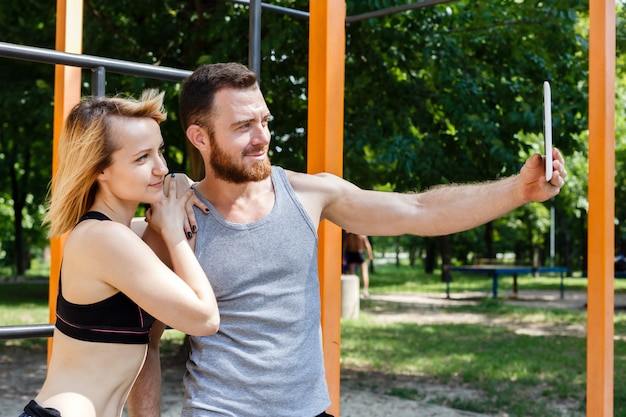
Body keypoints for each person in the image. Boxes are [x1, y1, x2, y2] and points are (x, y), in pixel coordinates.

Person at [132, 62, 567, 417]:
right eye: (243, 126)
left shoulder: (310, 194)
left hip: (312, 410)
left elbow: (420, 210)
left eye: (265, 120)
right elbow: (143, 341)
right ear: (199, 137)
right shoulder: (175, 219)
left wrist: (518, 190)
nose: (263, 137)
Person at [19, 90, 220, 417]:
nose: (161, 168)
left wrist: (180, 186)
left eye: (160, 152)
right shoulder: (104, 238)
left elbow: (172, 205)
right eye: (142, 158)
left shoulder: (127, 234)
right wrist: (171, 232)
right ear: (100, 170)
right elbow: (204, 319)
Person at [343, 232, 374, 297]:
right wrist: (370, 254)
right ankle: (365, 291)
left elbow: (345, 246)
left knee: (352, 274)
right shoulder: (362, 234)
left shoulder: (349, 235)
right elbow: (367, 245)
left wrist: (343, 257)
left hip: (351, 253)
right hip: (360, 254)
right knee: (364, 273)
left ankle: (352, 291)